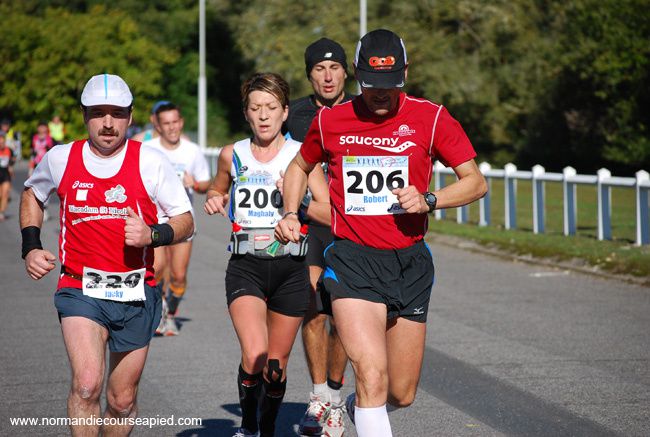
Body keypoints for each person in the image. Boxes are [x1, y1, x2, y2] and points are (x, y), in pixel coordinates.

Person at [275, 29, 488, 437]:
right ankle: (365, 404)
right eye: (371, 86)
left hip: (409, 263)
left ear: (405, 73)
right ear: (357, 76)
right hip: (353, 260)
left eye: (390, 86)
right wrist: (289, 211)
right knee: (371, 374)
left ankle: (361, 408)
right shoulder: (331, 119)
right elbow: (298, 167)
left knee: (400, 393)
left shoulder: (432, 117)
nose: (380, 95)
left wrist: (429, 199)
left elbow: (475, 182)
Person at [20, 73, 194, 436]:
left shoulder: (151, 162)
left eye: (117, 113)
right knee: (87, 385)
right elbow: (32, 195)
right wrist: (31, 245)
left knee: (122, 399)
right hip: (79, 287)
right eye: (99, 113)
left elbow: (186, 221)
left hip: (136, 291)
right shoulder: (60, 158)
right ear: (85, 116)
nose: (108, 123)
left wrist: (153, 234)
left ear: (130, 117)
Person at [204, 72, 317, 437]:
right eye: (256, 108)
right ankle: (249, 427)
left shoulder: (301, 156)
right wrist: (215, 198)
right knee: (254, 354)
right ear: (247, 113)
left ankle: (266, 426)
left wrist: (297, 201)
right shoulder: (231, 154)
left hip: (291, 267)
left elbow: (331, 212)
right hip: (246, 267)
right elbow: (216, 189)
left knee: (275, 365)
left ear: (285, 112)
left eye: (271, 107)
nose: (264, 115)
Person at [285, 37, 354, 437]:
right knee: (313, 309)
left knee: (343, 317)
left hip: (351, 226)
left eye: (334, 68)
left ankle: (335, 396)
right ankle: (318, 397)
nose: (327, 77)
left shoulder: (364, 110)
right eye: (318, 70)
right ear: (309, 74)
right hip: (310, 224)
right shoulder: (293, 115)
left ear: (346, 71)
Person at [144, 101, 211, 336]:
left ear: (181, 123)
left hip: (184, 222)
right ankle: (161, 312)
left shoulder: (192, 151)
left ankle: (171, 313)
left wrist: (196, 184)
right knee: (158, 269)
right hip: (156, 221)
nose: (172, 128)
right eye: (166, 123)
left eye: (175, 122)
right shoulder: (148, 148)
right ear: (158, 126)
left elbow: (205, 183)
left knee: (179, 275)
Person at [0, 131, 15, 221]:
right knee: (0, 194)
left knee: (5, 193)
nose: (1, 144)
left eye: (2, 143)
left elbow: (12, 160)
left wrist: (10, 166)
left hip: (5, 174)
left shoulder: (9, 150)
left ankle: (1, 213)